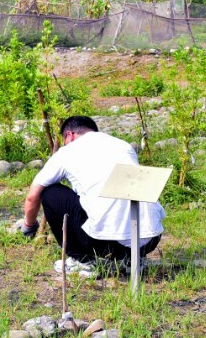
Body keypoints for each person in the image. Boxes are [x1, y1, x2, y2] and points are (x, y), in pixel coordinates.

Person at [15, 116, 164, 273]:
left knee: (50, 193)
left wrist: (29, 226)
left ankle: (83, 260)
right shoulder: (123, 146)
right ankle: (133, 259)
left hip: (105, 242)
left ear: (70, 135)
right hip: (150, 239)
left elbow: (32, 196)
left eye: (64, 139)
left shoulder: (67, 152)